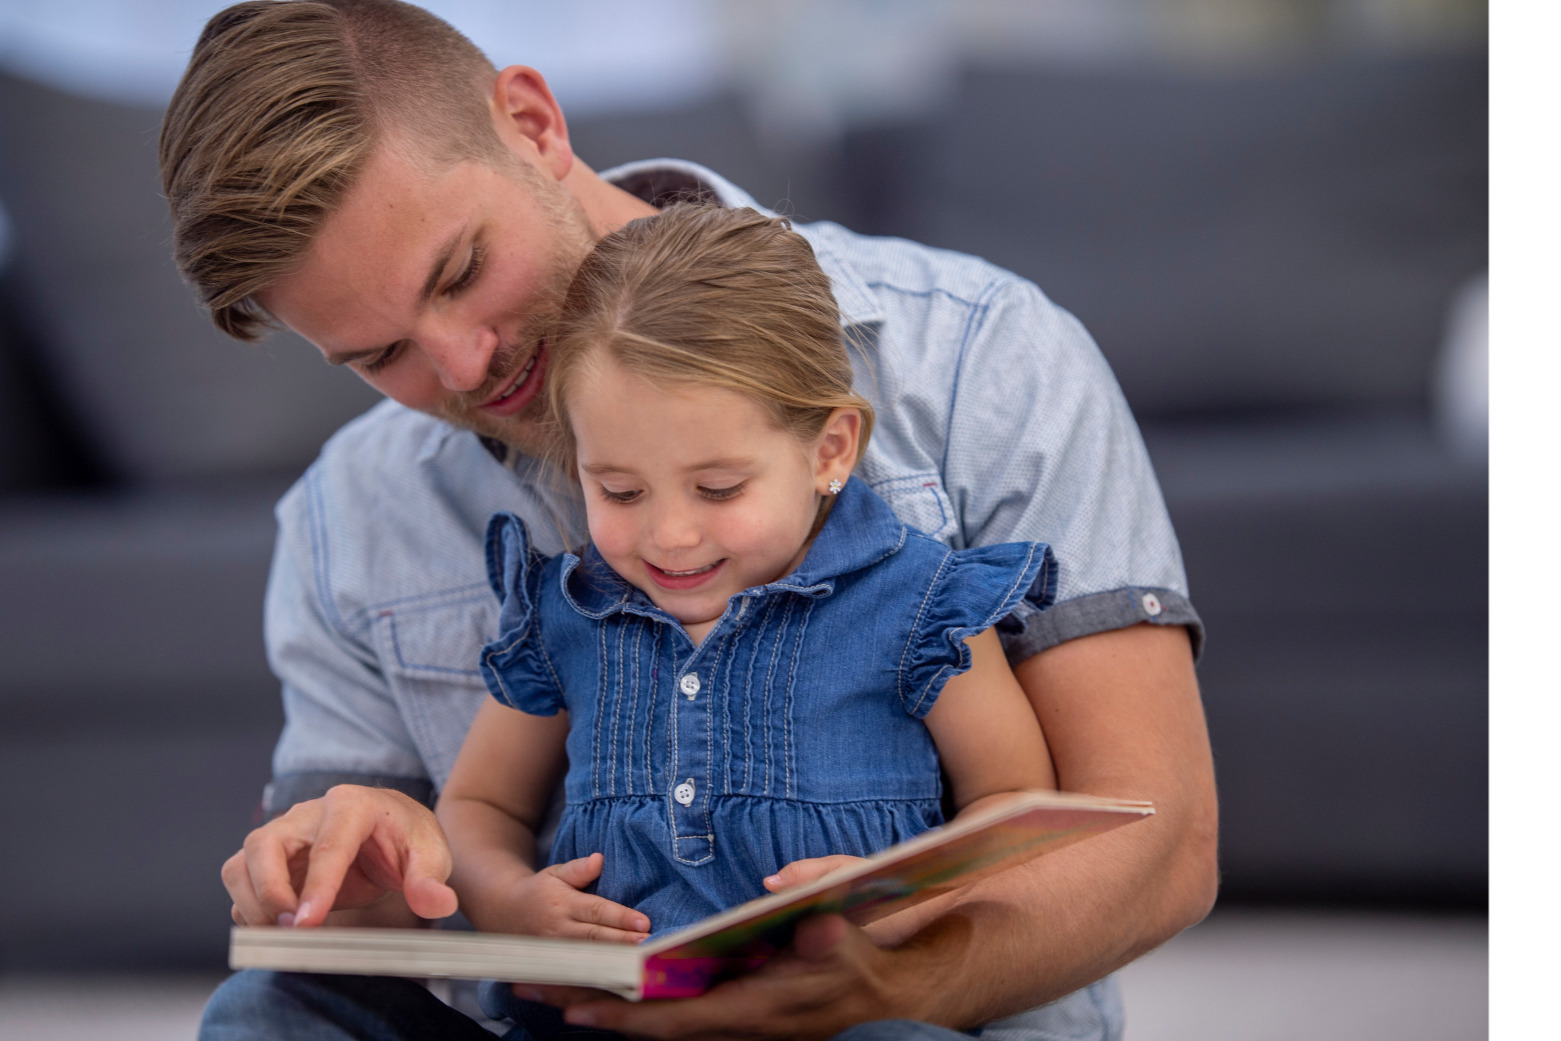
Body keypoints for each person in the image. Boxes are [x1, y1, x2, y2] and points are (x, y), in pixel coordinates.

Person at [161, 2, 1218, 1039]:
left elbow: (1158, 844)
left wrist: (881, 986)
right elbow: (377, 920)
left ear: (532, 123)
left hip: (913, 1028)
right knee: (269, 1014)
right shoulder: (348, 514)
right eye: (378, 356)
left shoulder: (984, 356)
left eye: (462, 273)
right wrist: (348, 868)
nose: (462, 368)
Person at [436, 203, 1059, 1035]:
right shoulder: (567, 610)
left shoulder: (919, 600)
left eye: (720, 488)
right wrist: (512, 899)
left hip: (836, 1014)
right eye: (618, 490)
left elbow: (1014, 796)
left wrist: (910, 896)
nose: (669, 534)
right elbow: (479, 806)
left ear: (829, 449)